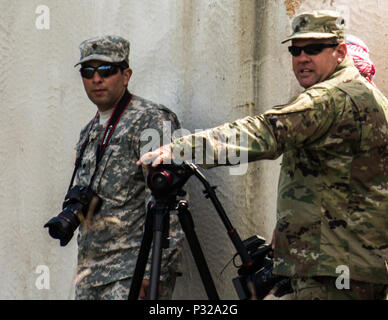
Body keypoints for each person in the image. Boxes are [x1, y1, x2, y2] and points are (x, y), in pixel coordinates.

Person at [137, 10, 388, 300]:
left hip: (332, 272)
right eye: (296, 50)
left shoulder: (331, 98)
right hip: (359, 266)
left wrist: (179, 149)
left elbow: (264, 131)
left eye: (314, 49)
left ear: (340, 52)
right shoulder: (373, 99)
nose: (302, 57)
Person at [71, 35, 183, 300]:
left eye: (107, 70)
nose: (96, 79)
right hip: (91, 275)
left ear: (126, 75)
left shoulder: (150, 120)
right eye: (88, 71)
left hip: (131, 272)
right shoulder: (88, 132)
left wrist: (152, 271)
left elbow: (169, 201)